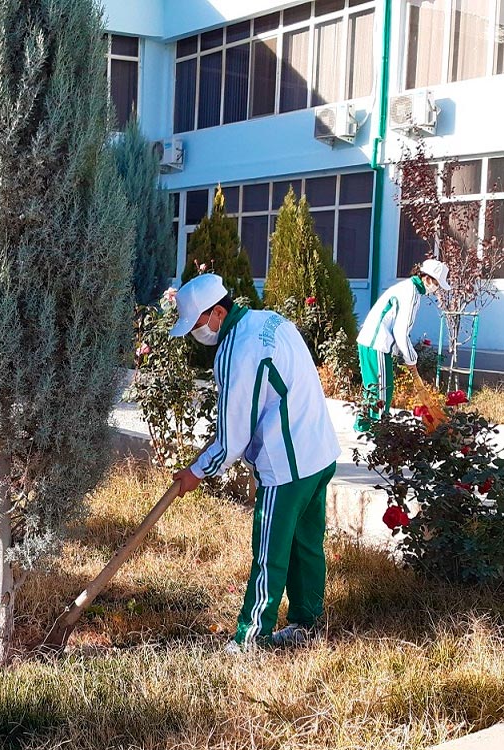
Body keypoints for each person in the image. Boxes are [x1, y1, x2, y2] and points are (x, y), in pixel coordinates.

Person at [169, 274, 341, 652]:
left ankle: (249, 640)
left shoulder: (238, 349)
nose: (196, 334)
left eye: (196, 324)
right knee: (306, 544)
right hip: (320, 452)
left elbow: (232, 438)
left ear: (217, 312)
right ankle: (307, 624)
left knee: (269, 554)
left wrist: (197, 471)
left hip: (288, 465)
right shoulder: (270, 320)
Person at [354, 259, 451, 432]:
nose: (436, 289)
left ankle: (362, 428)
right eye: (436, 284)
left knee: (372, 388)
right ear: (427, 279)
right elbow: (400, 331)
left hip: (368, 341)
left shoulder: (406, 287)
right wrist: (411, 358)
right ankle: (378, 433)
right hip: (377, 344)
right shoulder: (411, 293)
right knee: (382, 391)